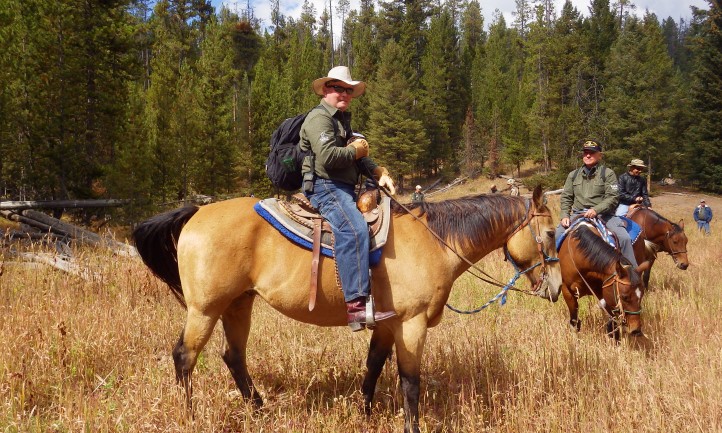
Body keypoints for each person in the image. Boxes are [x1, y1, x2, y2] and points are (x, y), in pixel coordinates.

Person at [300, 66, 397, 331]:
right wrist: (355, 150)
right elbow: (330, 157)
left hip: (343, 185)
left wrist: (377, 171)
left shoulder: (341, 119)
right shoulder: (319, 119)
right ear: (326, 90)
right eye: (338, 88)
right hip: (325, 186)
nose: (344, 93)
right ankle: (356, 306)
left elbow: (359, 153)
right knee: (353, 228)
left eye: (348, 90)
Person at [557, 139, 638, 267]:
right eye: (585, 152)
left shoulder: (608, 173)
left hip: (604, 215)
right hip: (578, 214)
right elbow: (566, 197)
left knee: (624, 238)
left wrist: (596, 209)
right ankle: (552, 273)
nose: (588, 155)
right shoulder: (573, 175)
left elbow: (613, 197)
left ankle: (632, 275)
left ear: (599, 155)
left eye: (592, 153)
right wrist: (565, 215)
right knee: (557, 235)